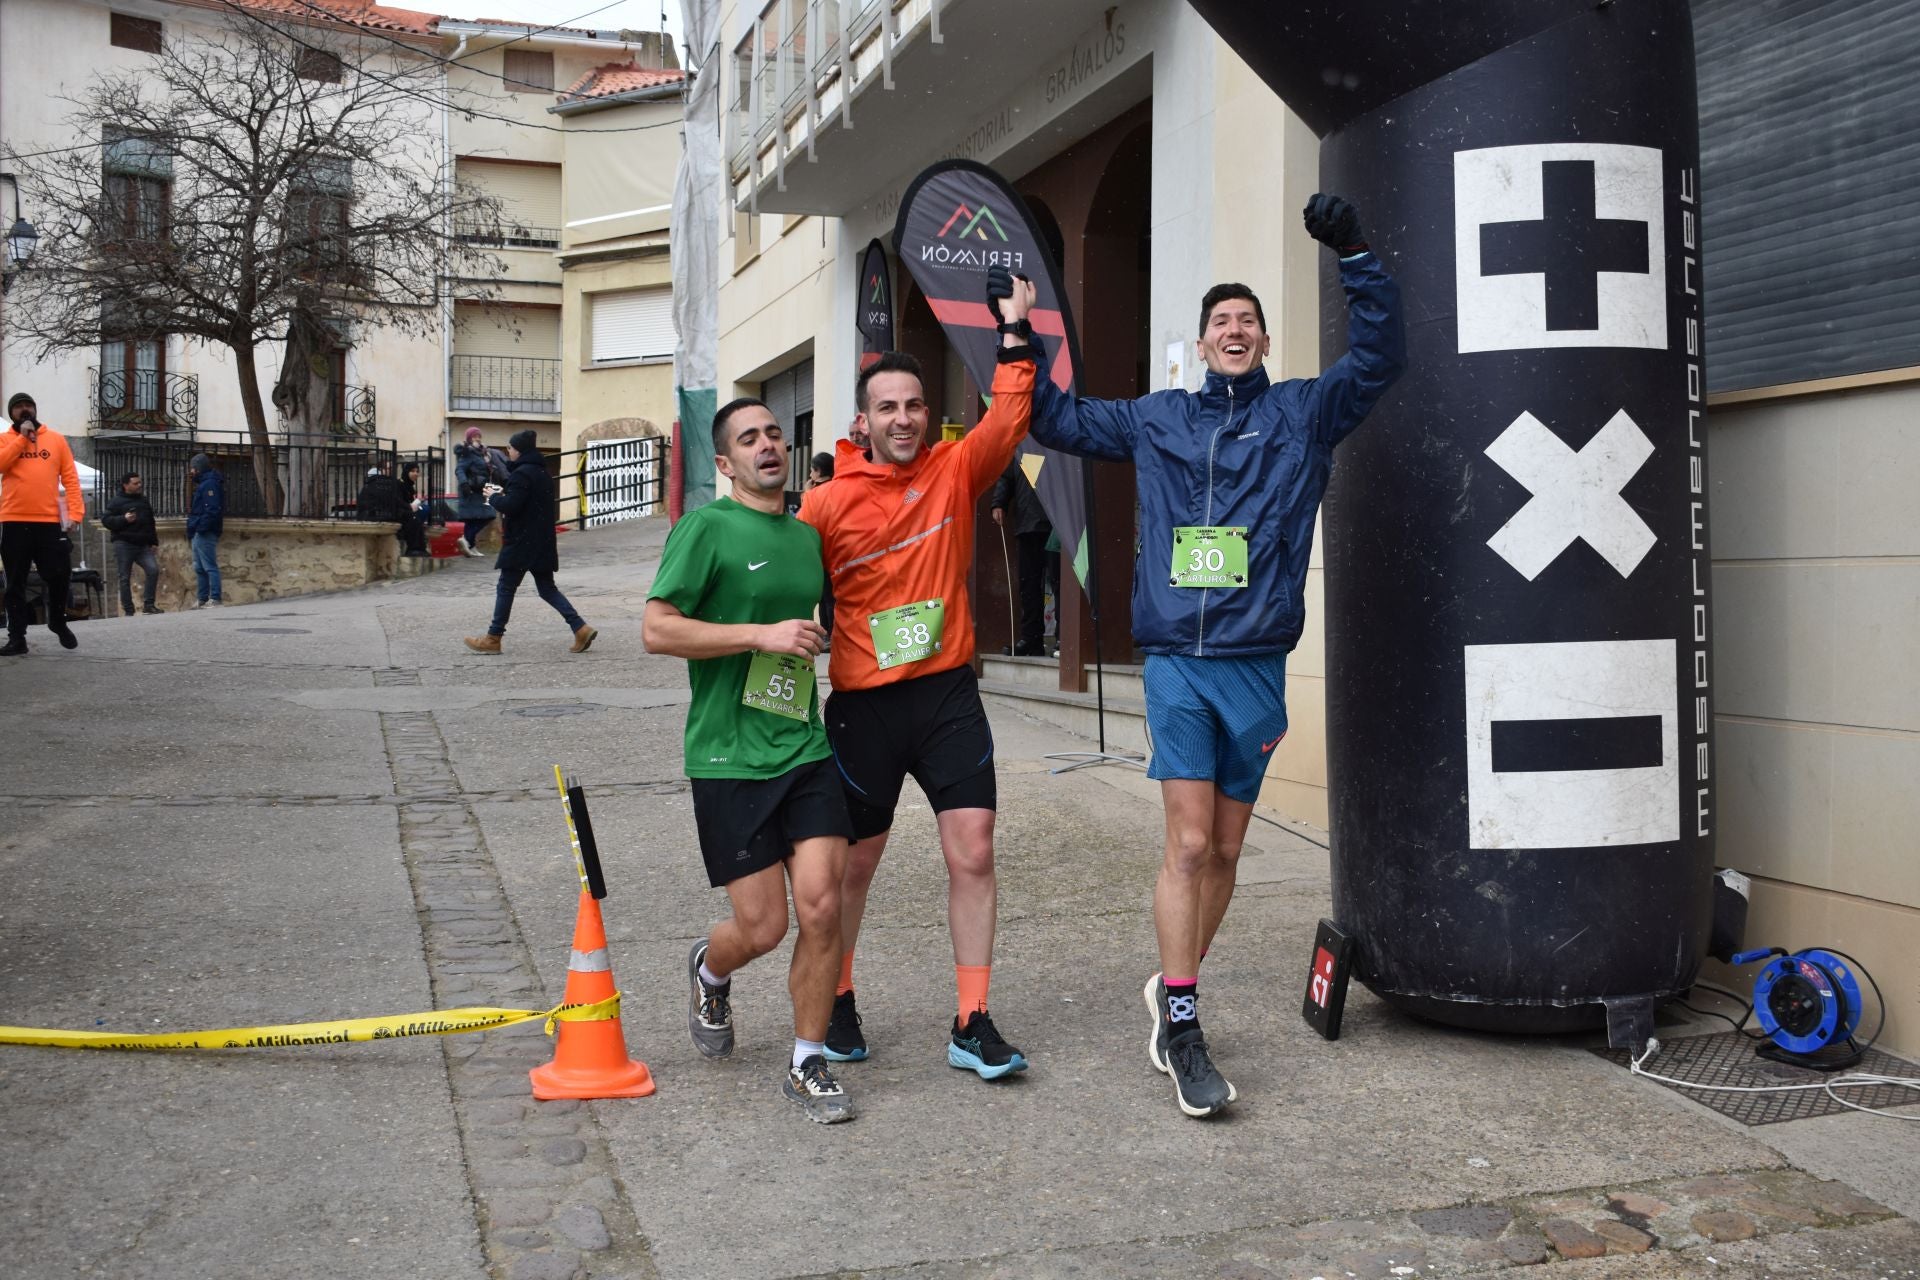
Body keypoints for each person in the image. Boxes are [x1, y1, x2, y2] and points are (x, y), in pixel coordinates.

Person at [1026, 194, 1405, 1117]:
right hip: (1177, 662)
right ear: (1200, 346)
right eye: (1219, 323)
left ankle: (1173, 981)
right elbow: (1055, 419)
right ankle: (1186, 1023)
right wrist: (1018, 328)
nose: (1234, 331)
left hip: (1257, 665)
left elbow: (1383, 357)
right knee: (1189, 841)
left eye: (1248, 321)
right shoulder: (1157, 419)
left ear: (1265, 342)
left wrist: (1354, 251)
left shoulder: (1304, 415)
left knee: (1228, 851)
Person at [797, 266, 1038, 1079]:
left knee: (973, 850)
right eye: (886, 408)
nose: (902, 419)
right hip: (864, 707)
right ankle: (836, 995)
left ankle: (972, 1019)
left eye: (913, 405)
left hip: (946, 697)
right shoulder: (826, 504)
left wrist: (1014, 332)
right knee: (854, 865)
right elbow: (780, 581)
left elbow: (1008, 420)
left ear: (928, 414)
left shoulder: (952, 470)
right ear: (862, 422)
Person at [642, 397, 856, 1124]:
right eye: (749, 439)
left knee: (824, 906)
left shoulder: (804, 536)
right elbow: (656, 630)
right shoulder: (705, 528)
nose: (768, 444)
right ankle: (710, 967)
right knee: (762, 929)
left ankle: (807, 1061)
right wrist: (759, 636)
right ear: (725, 463)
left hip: (802, 743)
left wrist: (808, 638)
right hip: (728, 755)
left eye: (773, 433)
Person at [462, 430, 596, 655]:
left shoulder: (522, 474)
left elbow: (512, 506)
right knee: (546, 588)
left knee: (506, 586)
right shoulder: (541, 472)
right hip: (542, 540)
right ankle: (580, 628)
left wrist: (493, 497)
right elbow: (526, 502)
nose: (508, 451)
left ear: (519, 450)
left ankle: (493, 638)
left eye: (511, 448)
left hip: (522, 542)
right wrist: (505, 493)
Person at [0, 391, 85, 654]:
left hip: (47, 521)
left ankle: (58, 621)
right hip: (13, 520)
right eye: (19, 407)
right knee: (15, 581)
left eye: (29, 406)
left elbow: (70, 479)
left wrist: (75, 513)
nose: (25, 410)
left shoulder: (56, 440)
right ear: (12, 413)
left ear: (35, 409)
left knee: (59, 575)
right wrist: (22, 440)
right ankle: (17, 638)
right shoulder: (5, 440)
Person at [989, 458, 1052, 656]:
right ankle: (1031, 639)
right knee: (1029, 585)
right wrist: (999, 502)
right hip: (1028, 523)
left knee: (1059, 584)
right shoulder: (1022, 445)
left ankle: (1061, 640)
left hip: (1055, 524)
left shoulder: (1056, 440)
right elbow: (1007, 476)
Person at [103, 472, 163, 615]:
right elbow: (106, 520)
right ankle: (128, 609)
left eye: (139, 483)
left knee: (153, 570)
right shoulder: (116, 502)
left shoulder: (143, 501)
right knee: (124, 577)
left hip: (142, 545)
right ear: (126, 485)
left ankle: (149, 605)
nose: (139, 486)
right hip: (124, 543)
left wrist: (153, 541)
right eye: (135, 483)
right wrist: (124, 519)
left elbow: (150, 522)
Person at [186, 452, 225, 608]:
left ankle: (215, 597)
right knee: (199, 566)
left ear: (198, 468)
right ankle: (202, 598)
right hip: (199, 529)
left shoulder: (209, 484)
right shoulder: (205, 483)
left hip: (205, 531)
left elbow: (212, 509)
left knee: (208, 565)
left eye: (193, 468)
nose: (191, 471)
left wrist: (201, 527)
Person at [453, 427, 496, 557]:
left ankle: (470, 546)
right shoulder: (468, 453)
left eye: (479, 436)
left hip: (481, 489)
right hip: (471, 490)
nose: (477, 438)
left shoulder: (484, 453)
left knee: (481, 517)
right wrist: (464, 484)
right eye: (474, 436)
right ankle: (466, 540)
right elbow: (459, 469)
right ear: (469, 439)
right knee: (483, 516)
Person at [396, 461, 430, 557]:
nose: (416, 473)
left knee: (424, 509)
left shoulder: (410, 486)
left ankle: (420, 548)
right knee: (414, 519)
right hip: (402, 513)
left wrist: (417, 502)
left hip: (409, 511)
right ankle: (413, 548)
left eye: (417, 471)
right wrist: (410, 506)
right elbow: (398, 501)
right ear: (407, 472)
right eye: (412, 471)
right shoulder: (399, 484)